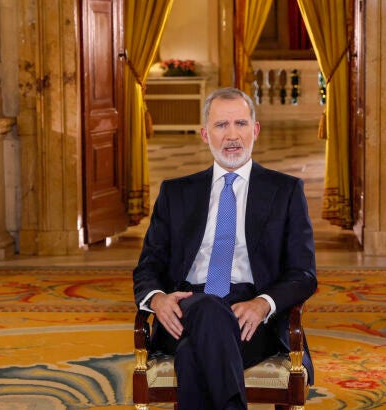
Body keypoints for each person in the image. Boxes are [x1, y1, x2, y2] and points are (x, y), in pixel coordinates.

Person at [133, 87, 317, 410]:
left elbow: (304, 273)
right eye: (221, 126)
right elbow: (148, 267)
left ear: (255, 130)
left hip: (251, 319)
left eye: (241, 124)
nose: (232, 135)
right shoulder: (175, 193)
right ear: (205, 134)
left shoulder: (285, 191)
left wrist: (263, 303)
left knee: (192, 356)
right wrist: (158, 299)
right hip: (185, 308)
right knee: (204, 307)